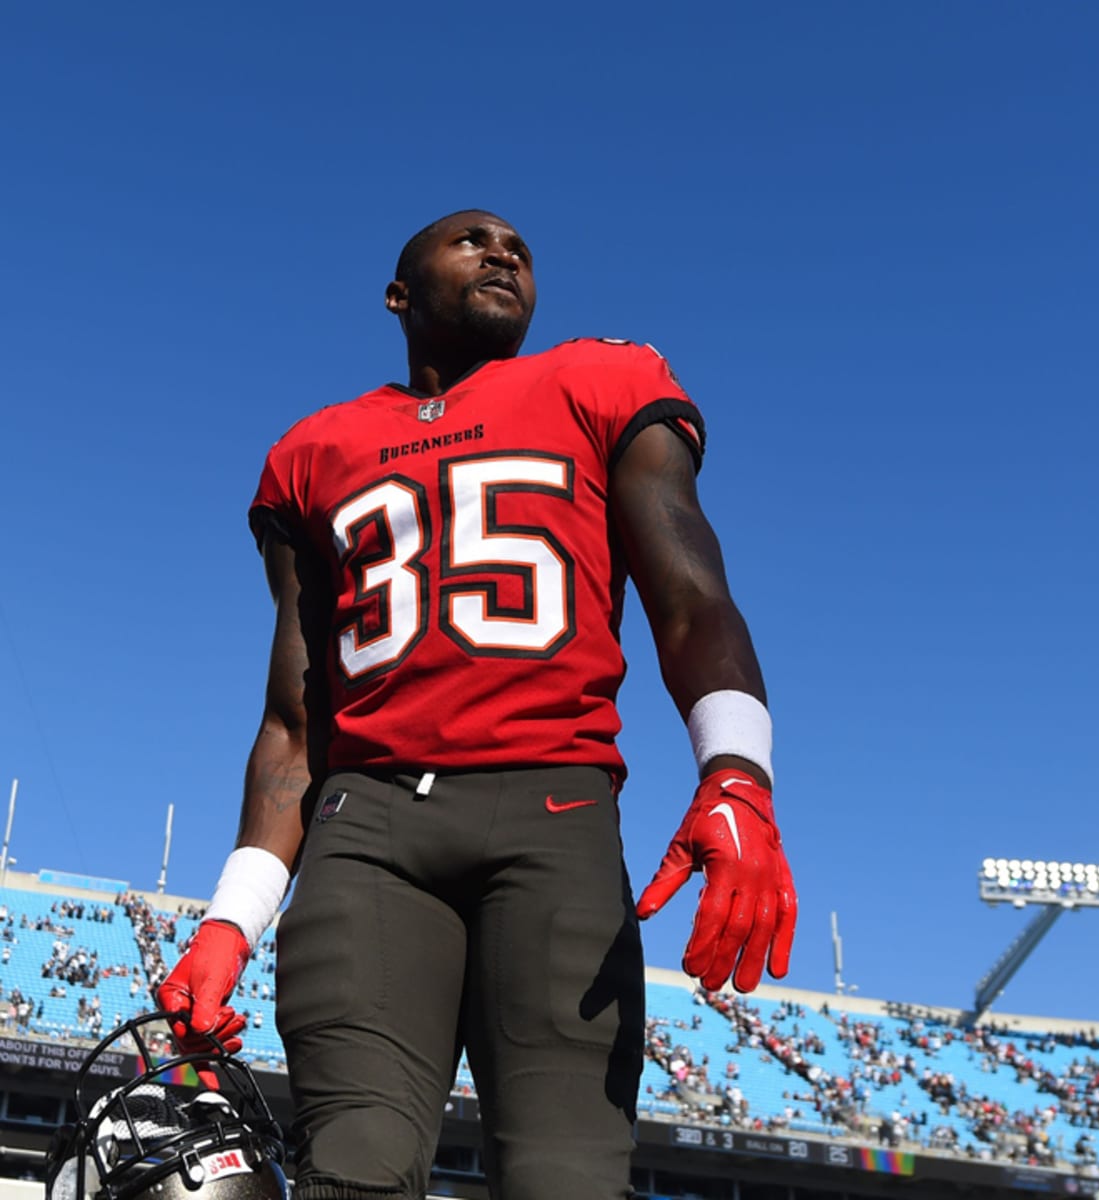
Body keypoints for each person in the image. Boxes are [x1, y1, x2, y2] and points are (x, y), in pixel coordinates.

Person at [157, 210, 796, 1200]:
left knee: (566, 1179)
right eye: (471, 240)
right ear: (398, 293)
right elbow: (294, 720)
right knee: (352, 1170)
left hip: (553, 813)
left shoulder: (598, 380)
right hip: (363, 830)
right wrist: (230, 920)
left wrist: (737, 773)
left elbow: (690, 593)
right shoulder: (312, 452)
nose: (503, 251)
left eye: (520, 248)